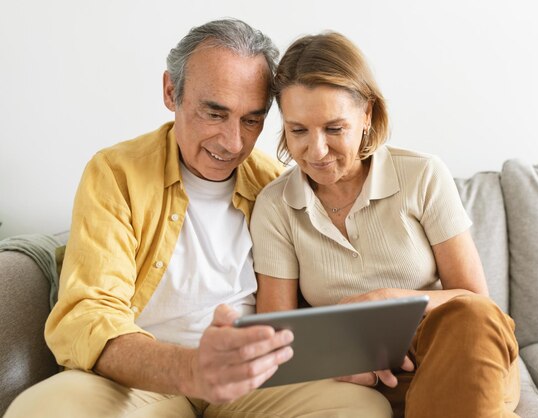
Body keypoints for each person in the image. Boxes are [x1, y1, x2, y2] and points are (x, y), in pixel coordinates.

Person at [4, 20, 392, 418]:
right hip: (140, 383)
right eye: (214, 113)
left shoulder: (277, 185)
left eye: (251, 119)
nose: (232, 142)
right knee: (43, 411)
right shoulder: (116, 173)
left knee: (361, 408)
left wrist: (349, 348)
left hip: (256, 382)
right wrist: (190, 370)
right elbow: (88, 314)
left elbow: (321, 292)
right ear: (172, 92)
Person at [250, 31, 521, 418]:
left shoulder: (422, 174)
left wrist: (392, 301)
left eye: (333, 128)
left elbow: (476, 299)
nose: (316, 150)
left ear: (368, 115)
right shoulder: (276, 206)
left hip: (456, 352)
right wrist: (343, 354)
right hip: (356, 377)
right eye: (298, 131)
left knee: (474, 318)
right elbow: (275, 333)